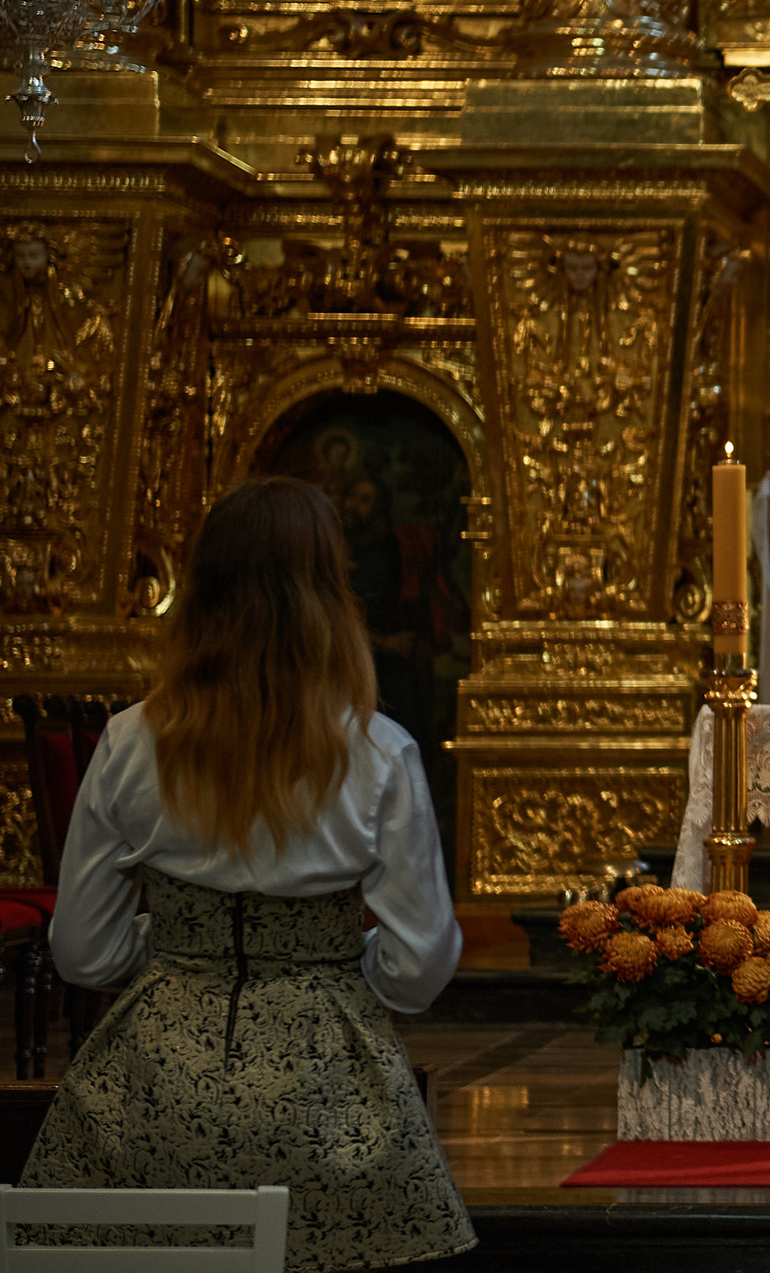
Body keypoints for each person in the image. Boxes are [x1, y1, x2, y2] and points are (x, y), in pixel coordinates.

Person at [21, 477, 473, 1272]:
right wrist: (336, 969)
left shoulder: (128, 743)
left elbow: (83, 952)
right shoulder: (380, 752)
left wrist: (177, 951)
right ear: (332, 595)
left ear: (200, 595)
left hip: (154, 1083)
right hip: (326, 1089)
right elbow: (420, 962)